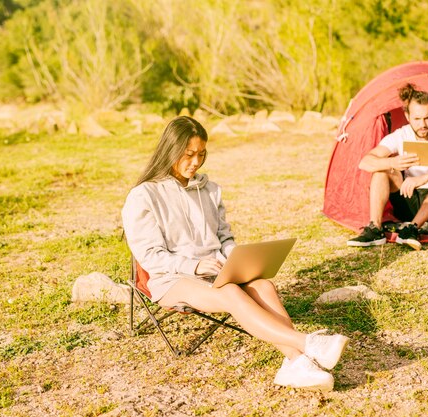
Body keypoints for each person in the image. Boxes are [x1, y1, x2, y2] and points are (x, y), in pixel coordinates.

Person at [122, 116, 349, 391]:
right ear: (171, 150)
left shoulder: (209, 190)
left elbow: (224, 237)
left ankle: (296, 364)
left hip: (216, 272)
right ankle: (307, 345)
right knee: (231, 293)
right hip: (171, 279)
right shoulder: (144, 195)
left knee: (264, 285)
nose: (195, 162)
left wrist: (234, 257)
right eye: (189, 154)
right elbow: (150, 256)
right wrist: (194, 266)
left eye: (201, 154)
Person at [347, 84, 428, 250]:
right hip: (410, 198)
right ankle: (375, 229)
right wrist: (392, 163)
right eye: (417, 119)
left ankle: (412, 228)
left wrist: (425, 178)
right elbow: (365, 162)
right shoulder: (401, 135)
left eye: (427, 118)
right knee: (382, 170)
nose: (423, 125)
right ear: (407, 116)